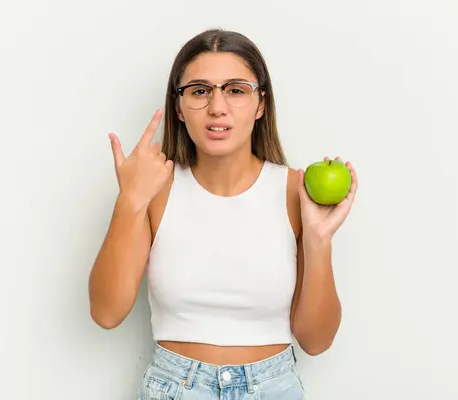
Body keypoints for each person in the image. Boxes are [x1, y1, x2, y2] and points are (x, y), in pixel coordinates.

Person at [88, 28, 358, 399]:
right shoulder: (154, 190)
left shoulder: (296, 191)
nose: (217, 107)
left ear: (260, 103)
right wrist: (130, 201)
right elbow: (106, 313)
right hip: (175, 387)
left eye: (235, 89)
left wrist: (318, 239)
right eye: (199, 90)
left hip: (274, 387)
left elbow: (316, 340)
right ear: (179, 107)